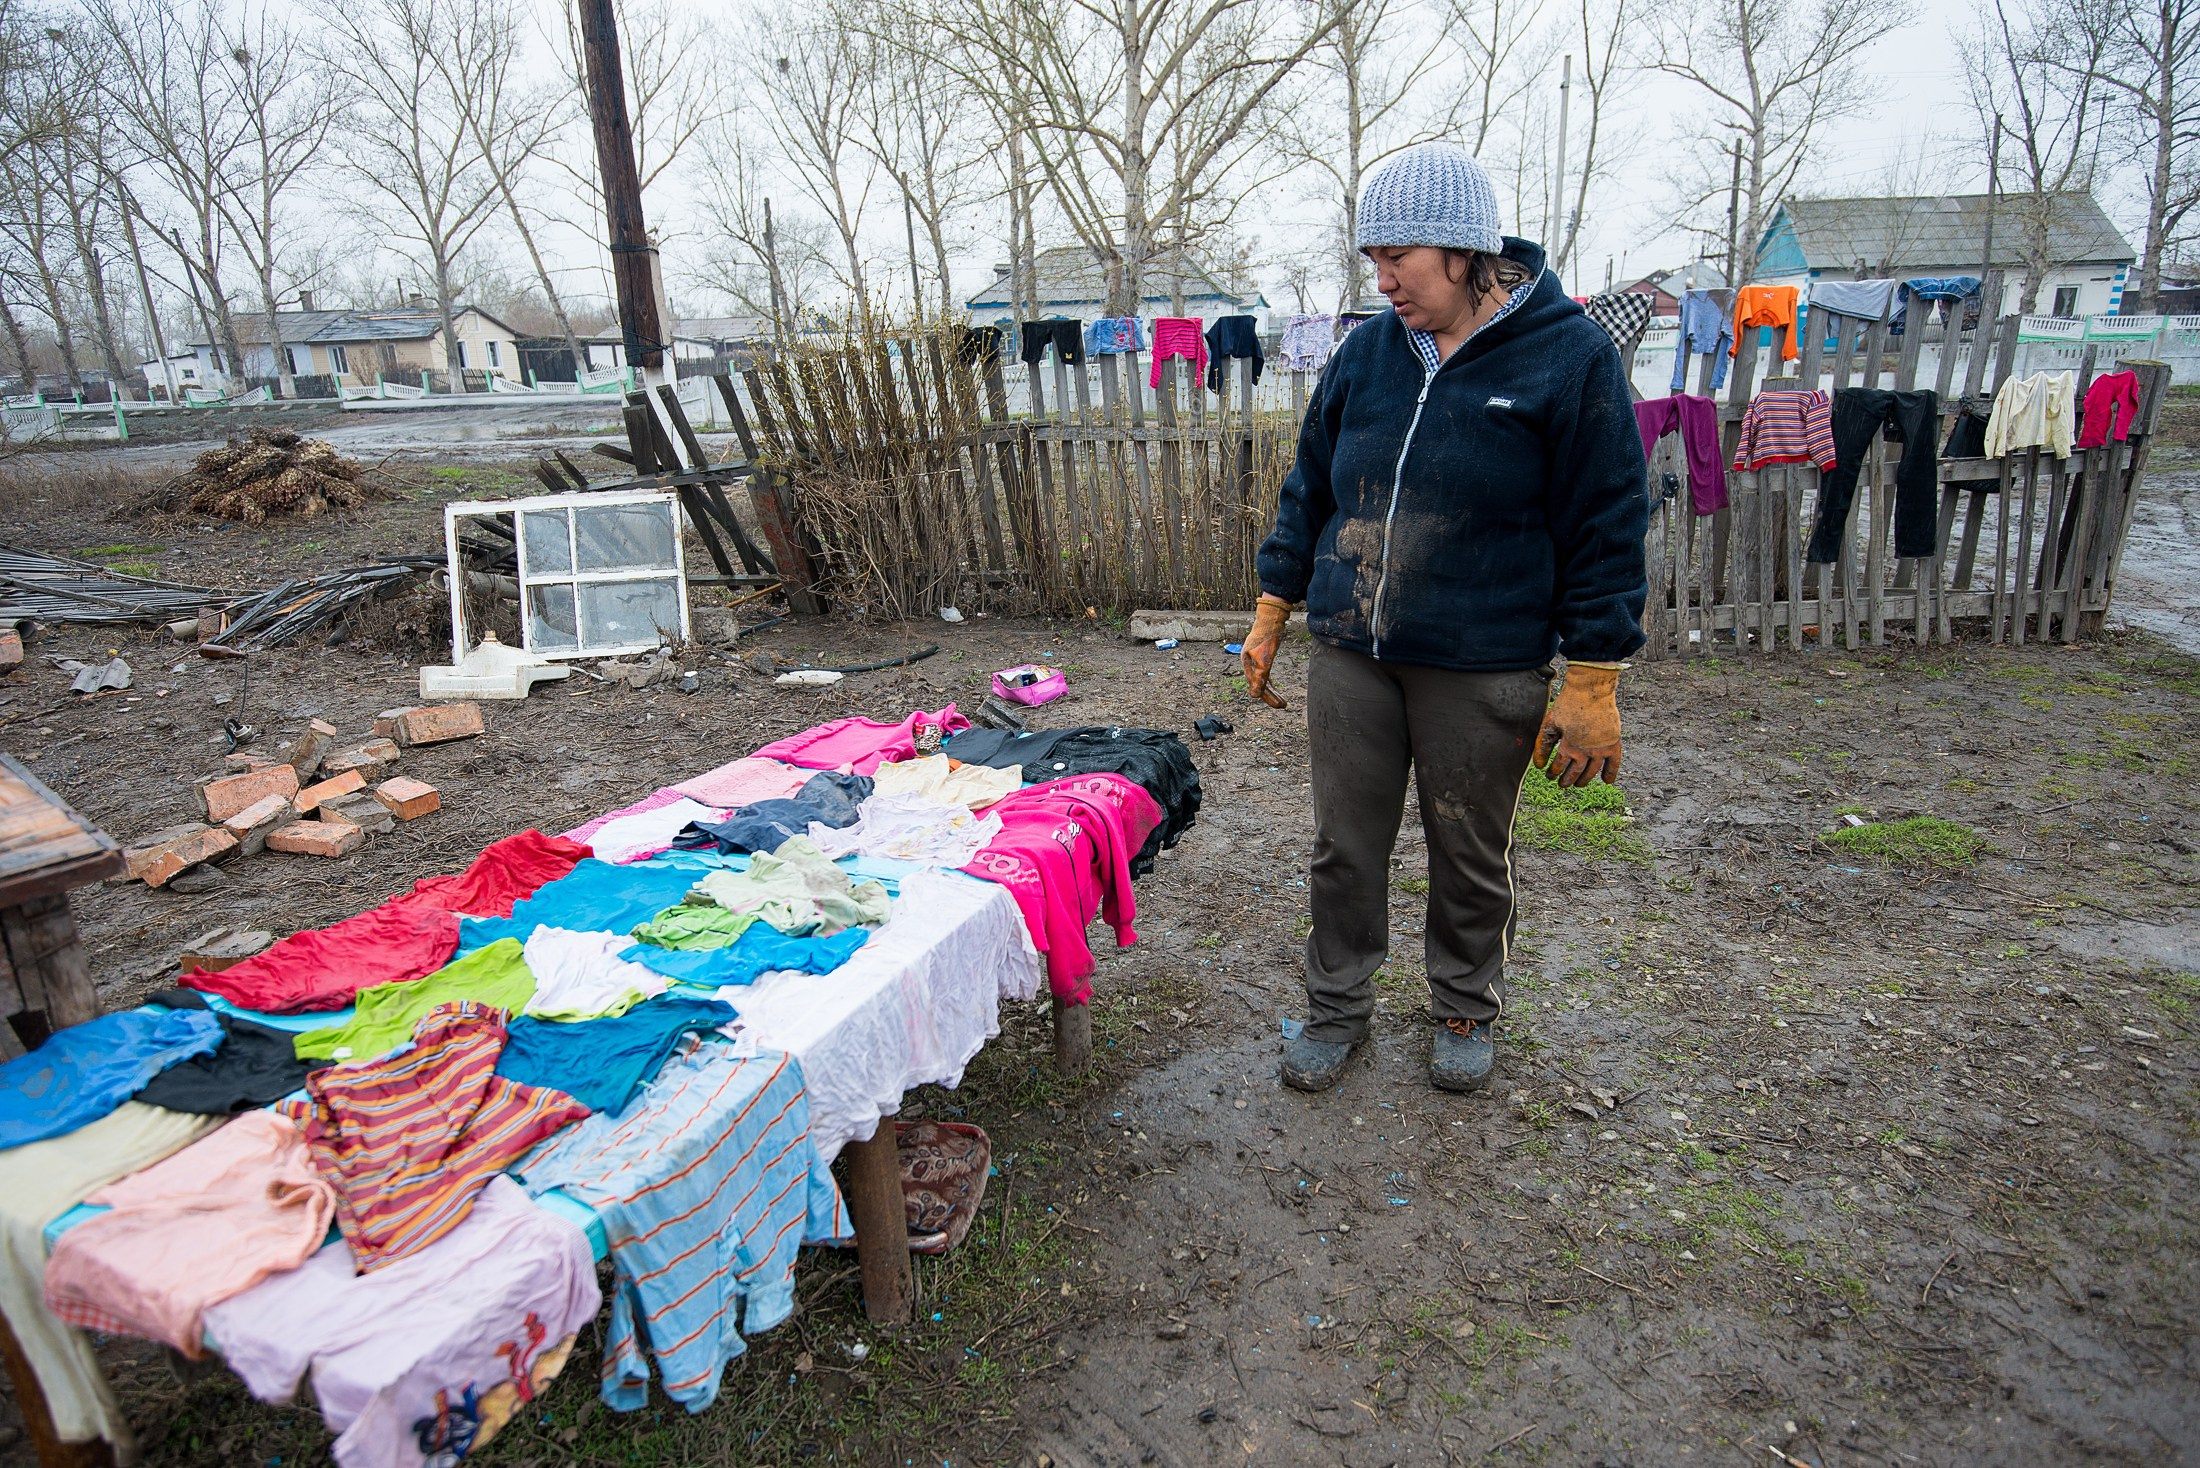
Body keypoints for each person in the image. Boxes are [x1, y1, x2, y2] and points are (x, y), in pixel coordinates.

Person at [1242, 143, 1649, 1094]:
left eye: (1399, 262)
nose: (1382, 283)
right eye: (1372, 262)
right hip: (1355, 649)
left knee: (1468, 844)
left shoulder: (1568, 355)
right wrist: (1274, 603)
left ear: (1463, 253)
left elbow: (1607, 521)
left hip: (1485, 659)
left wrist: (1594, 674)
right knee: (1344, 846)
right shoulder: (1368, 352)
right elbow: (1310, 484)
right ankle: (1337, 1006)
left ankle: (1465, 1003)